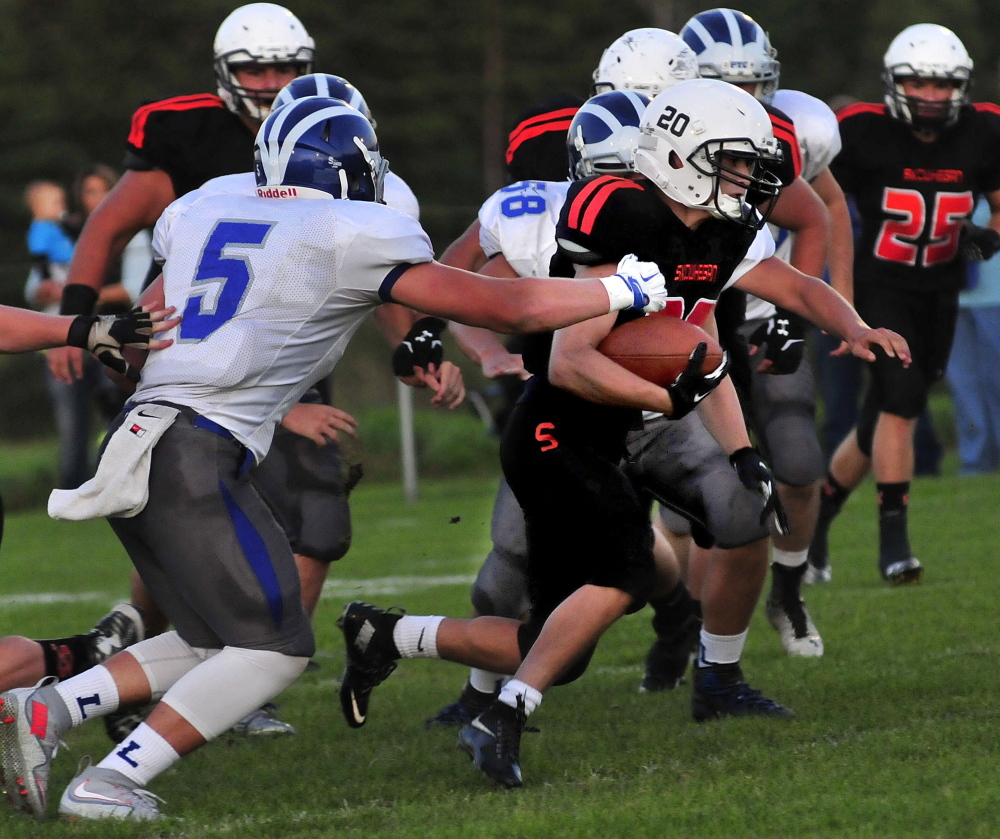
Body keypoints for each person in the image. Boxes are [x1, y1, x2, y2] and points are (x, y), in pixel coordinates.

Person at [0, 95, 669, 822]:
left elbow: (153, 336)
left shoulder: (210, 204)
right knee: (276, 649)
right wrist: (620, 286)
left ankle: (49, 711)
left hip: (142, 437)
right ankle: (111, 779)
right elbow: (505, 308)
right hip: (196, 451)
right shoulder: (353, 228)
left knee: (206, 638)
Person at [336, 80, 910, 789]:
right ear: (680, 158)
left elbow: (719, 335)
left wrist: (757, 432)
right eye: (733, 160)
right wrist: (663, 395)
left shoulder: (724, 227)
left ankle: (386, 634)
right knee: (616, 572)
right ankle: (502, 710)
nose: (749, 176)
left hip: (628, 419)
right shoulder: (622, 218)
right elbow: (576, 364)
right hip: (561, 425)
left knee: (557, 639)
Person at [809, 24, 1000, 585]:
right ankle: (894, 540)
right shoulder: (860, 130)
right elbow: (810, 197)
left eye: (943, 85)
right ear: (895, 83)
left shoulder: (983, 129)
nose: (931, 96)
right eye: (918, 82)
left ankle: (816, 525)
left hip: (940, 289)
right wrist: (833, 293)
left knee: (881, 420)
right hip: (877, 286)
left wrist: (992, 235)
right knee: (902, 400)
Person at [946, 197, 1000, 474]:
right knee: (963, 382)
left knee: (996, 380)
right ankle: (975, 462)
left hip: (995, 297)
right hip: (953, 298)